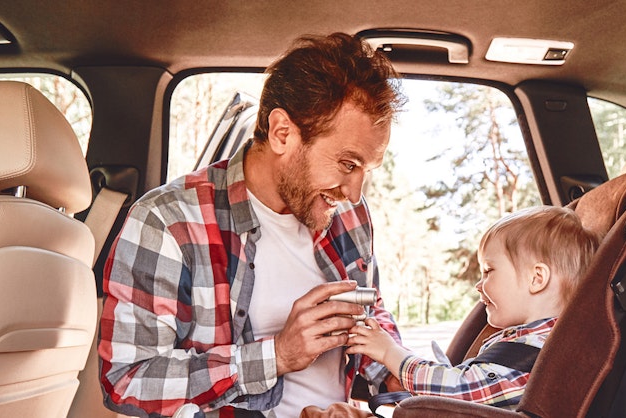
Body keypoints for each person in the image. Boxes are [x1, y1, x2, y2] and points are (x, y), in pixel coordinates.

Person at [98, 33, 404, 418]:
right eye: (347, 164)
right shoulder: (169, 222)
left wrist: (396, 372)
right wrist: (276, 355)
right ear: (282, 134)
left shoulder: (348, 216)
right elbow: (127, 382)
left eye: (366, 170)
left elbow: (370, 316)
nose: (356, 193)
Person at [346, 206, 600, 409]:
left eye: (488, 270)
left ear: (537, 279)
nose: (479, 285)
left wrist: (391, 353)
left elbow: (460, 391)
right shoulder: (526, 344)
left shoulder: (535, 352)